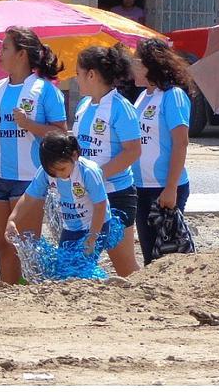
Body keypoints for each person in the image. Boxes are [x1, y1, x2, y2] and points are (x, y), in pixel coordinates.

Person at [0, 26, 68, 286]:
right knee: (2, 244)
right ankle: (8, 295)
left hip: (28, 180)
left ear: (22, 54)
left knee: (25, 245)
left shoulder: (45, 90)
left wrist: (31, 125)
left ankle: (28, 299)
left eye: (5, 48)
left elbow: (61, 135)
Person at [72, 45, 142, 276]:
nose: (75, 78)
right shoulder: (84, 106)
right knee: (80, 259)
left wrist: (97, 175)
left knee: (124, 266)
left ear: (91, 74)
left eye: (78, 73)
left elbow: (132, 151)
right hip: (85, 195)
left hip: (116, 195)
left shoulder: (122, 108)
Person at [131, 39, 193, 265]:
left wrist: (171, 188)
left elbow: (181, 143)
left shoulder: (172, 95)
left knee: (167, 255)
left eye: (137, 61)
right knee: (150, 254)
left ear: (151, 64)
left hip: (163, 188)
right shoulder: (143, 97)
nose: (133, 66)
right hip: (141, 186)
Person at [6, 131, 110, 253]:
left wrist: (92, 237)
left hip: (96, 225)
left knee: (82, 268)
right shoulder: (45, 173)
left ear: (74, 155)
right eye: (53, 172)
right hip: (70, 227)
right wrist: (12, 220)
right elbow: (29, 197)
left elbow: (100, 205)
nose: (59, 175)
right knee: (64, 268)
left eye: (62, 169)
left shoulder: (88, 172)